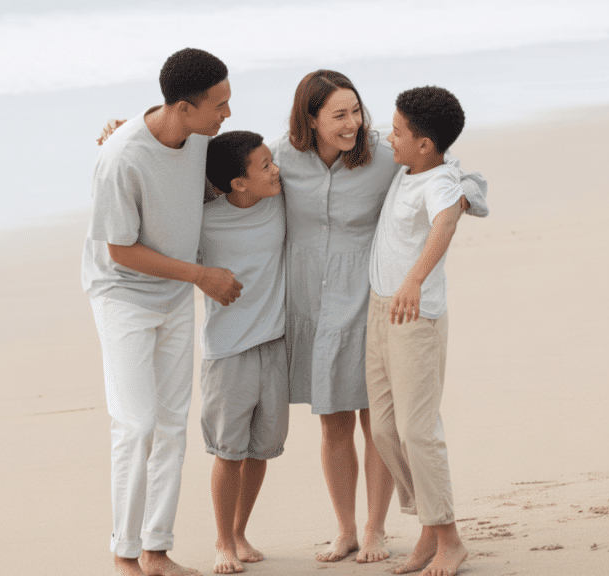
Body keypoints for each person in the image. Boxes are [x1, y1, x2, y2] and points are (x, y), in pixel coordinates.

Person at [270, 70, 487, 564]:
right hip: (308, 303)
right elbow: (220, 171)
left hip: (370, 300)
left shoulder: (386, 149)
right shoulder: (282, 154)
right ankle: (346, 529)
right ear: (311, 118)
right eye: (339, 115)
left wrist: (461, 200)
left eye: (357, 111)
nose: (354, 124)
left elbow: (445, 170)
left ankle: (376, 530)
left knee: (381, 422)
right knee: (333, 420)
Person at [81, 47, 242, 576]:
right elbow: (120, 250)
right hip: (123, 296)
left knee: (173, 426)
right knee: (136, 423)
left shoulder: (199, 136)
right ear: (183, 107)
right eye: (219, 104)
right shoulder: (121, 157)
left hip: (171, 296)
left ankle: (155, 551)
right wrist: (203, 277)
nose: (227, 113)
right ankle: (124, 554)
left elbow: (242, 163)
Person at [366, 85, 479, 576]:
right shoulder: (411, 163)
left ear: (426, 144)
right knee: (385, 429)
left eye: (397, 131)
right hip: (380, 311)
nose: (388, 137)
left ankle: (447, 537)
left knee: (418, 430)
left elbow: (447, 220)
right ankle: (432, 529)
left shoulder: (438, 180)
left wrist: (414, 279)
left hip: (416, 315)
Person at [198, 131, 288, 574]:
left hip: (273, 344)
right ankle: (222, 541)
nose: (277, 170)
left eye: (273, 160)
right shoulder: (203, 220)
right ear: (238, 183)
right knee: (228, 452)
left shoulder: (279, 201)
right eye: (266, 165)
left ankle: (240, 531)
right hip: (227, 352)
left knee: (259, 450)